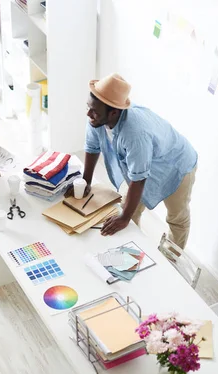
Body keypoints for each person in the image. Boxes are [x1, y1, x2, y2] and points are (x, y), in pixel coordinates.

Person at [77, 73, 198, 249]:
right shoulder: (96, 118)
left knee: (176, 219)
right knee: (125, 209)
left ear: (113, 112)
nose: (89, 113)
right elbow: (92, 146)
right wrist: (85, 182)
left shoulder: (134, 134)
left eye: (94, 110)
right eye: (88, 107)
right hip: (144, 162)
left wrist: (125, 218)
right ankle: (129, 255)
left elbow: (139, 178)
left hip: (176, 166)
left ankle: (170, 263)